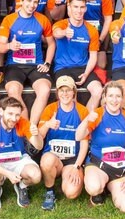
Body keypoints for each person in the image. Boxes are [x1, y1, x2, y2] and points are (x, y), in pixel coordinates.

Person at [76, 82, 125, 212]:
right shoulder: (97, 115)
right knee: (94, 187)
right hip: (98, 165)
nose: (114, 100)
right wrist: (87, 120)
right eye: (110, 96)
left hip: (119, 169)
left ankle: (109, 187)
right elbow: (78, 136)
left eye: (118, 96)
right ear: (104, 97)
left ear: (122, 98)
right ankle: (99, 190)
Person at [0, 0, 55, 123]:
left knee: (45, 90)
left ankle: (32, 127)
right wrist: (9, 46)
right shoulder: (9, 19)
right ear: (21, 2)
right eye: (29, 1)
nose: (32, 5)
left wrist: (47, 63)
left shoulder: (42, 20)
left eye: (35, 2)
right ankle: (25, 128)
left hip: (36, 65)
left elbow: (52, 44)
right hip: (15, 65)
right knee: (13, 90)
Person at [0, 97, 43, 211]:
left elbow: (39, 146)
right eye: (10, 114)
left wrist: (37, 135)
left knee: (36, 176)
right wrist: (8, 174)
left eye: (17, 115)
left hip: (18, 159)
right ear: (1, 111)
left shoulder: (23, 122)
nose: (14, 119)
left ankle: (22, 186)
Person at [37, 76, 90, 211]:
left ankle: (66, 180)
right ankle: (50, 191)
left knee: (71, 193)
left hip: (72, 160)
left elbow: (84, 144)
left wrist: (77, 166)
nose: (65, 94)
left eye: (68, 90)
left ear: (74, 92)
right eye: (61, 90)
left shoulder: (82, 111)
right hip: (54, 157)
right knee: (47, 160)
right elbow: (39, 136)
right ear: (57, 92)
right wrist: (48, 124)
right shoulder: (50, 109)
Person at [52, 0, 104, 110]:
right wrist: (65, 33)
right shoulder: (62, 24)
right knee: (69, 94)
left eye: (82, 7)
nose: (79, 11)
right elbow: (56, 32)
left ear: (85, 8)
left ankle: (86, 120)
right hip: (63, 68)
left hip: (83, 68)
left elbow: (93, 56)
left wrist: (86, 73)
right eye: (76, 7)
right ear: (69, 7)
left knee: (98, 90)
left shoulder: (91, 30)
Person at [67, 0, 114, 70]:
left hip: (97, 32)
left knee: (101, 64)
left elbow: (108, 18)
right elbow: (69, 14)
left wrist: (100, 40)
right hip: (78, 32)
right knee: (77, 62)